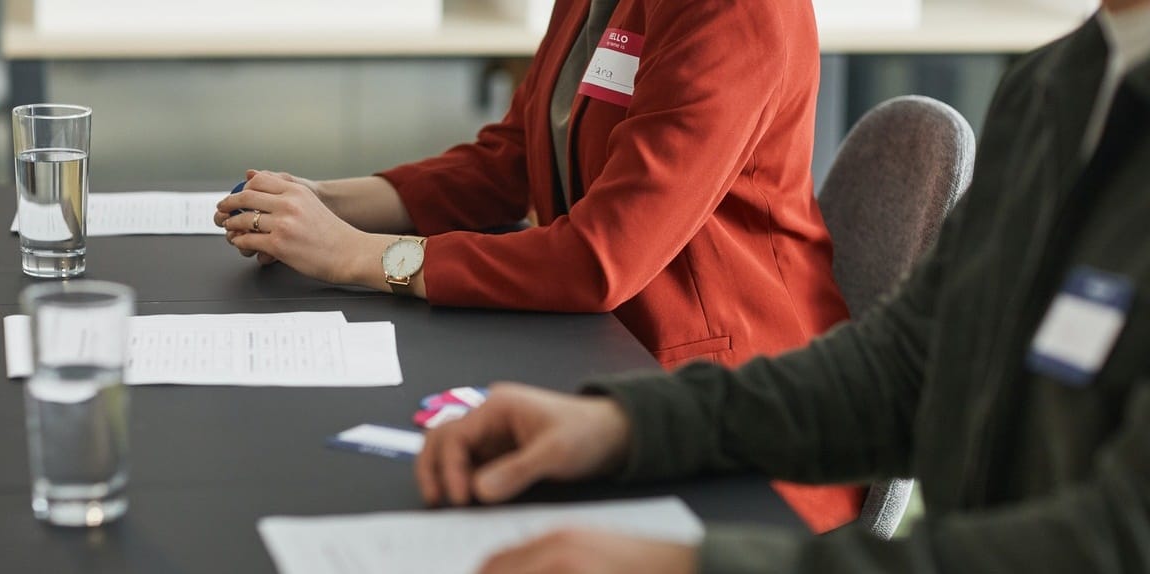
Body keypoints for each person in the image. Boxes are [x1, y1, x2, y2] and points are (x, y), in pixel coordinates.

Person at [414, 1, 1150, 572]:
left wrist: (695, 565)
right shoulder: (1057, 84)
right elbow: (906, 369)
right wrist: (624, 425)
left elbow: (1113, 546)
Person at [214, 1, 862, 529]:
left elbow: (598, 256)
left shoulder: (738, 12)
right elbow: (509, 160)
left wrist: (355, 253)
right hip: (598, 352)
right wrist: (325, 203)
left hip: (729, 419)